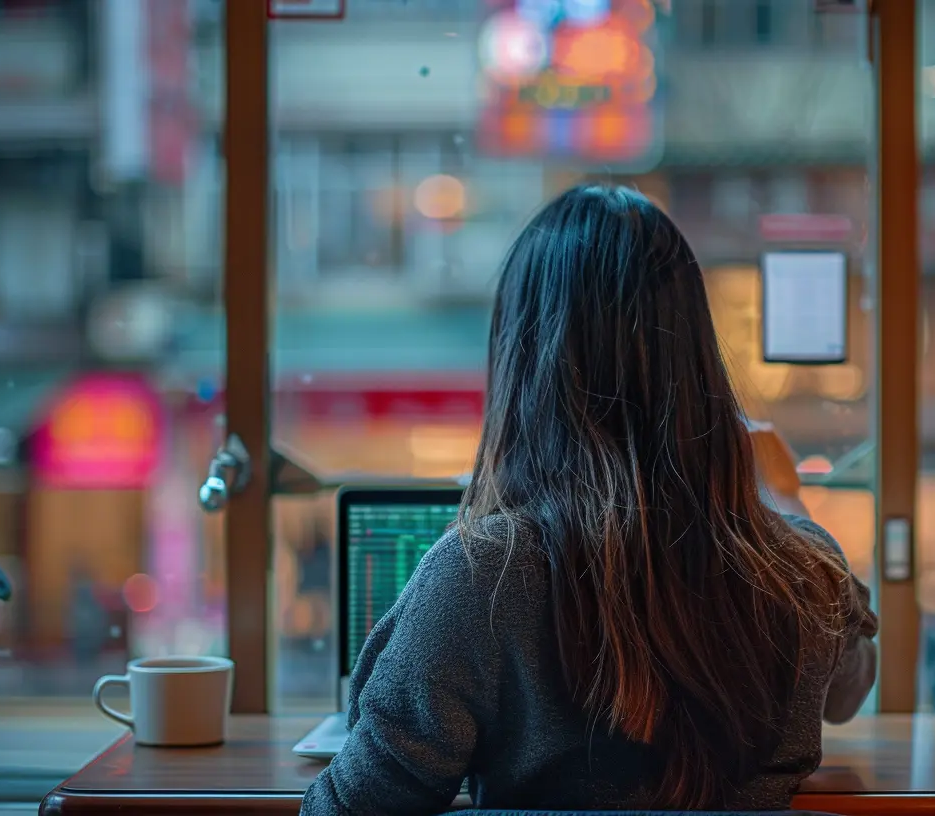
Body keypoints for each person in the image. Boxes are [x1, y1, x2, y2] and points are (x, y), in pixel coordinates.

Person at [302, 185, 878, 816]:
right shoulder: (801, 571)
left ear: (523, 361)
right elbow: (849, 689)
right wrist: (785, 501)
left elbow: (352, 808)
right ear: (696, 359)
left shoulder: (480, 574)